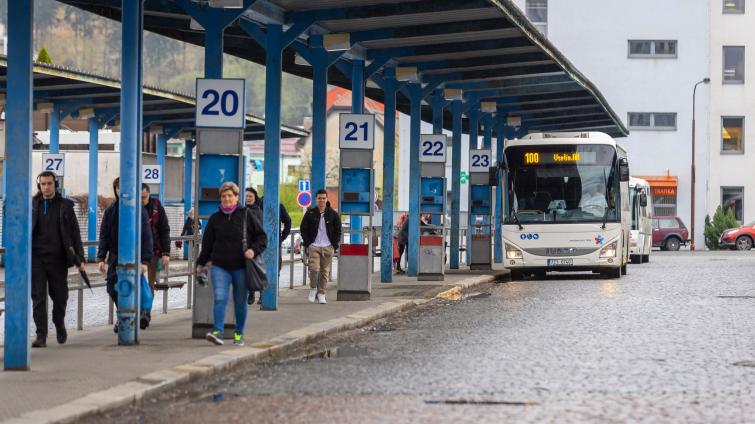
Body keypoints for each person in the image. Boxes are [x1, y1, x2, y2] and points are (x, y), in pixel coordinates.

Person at [196, 182, 267, 347]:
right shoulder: (215, 219)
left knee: (240, 301)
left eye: (230, 196)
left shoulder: (247, 215)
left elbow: (262, 238)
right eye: (223, 196)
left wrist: (253, 250)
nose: (226, 199)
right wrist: (201, 263)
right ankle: (218, 331)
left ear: (236, 197)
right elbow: (207, 244)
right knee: (220, 298)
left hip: (241, 267)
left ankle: (238, 333)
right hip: (219, 266)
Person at [30, 171, 85, 348]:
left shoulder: (65, 206)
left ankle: (59, 323)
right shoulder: (32, 205)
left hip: (58, 258)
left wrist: (80, 257)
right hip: (36, 258)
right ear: (39, 186)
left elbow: (75, 232)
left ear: (56, 185)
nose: (46, 187)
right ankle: (41, 335)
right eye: (43, 184)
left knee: (60, 297)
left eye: (49, 184)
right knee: (38, 298)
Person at [97, 177, 154, 332]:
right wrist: (101, 257)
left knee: (133, 286)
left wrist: (145, 261)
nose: (120, 191)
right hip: (115, 255)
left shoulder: (139, 209)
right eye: (117, 188)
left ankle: (128, 316)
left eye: (123, 187)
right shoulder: (111, 210)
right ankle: (124, 314)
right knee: (112, 287)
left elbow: (146, 235)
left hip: (134, 255)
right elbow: (104, 235)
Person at [247, 187, 292, 305]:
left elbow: (288, 222)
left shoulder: (278, 206)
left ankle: (265, 294)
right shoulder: (259, 206)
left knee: (271, 268)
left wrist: (281, 238)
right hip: (257, 243)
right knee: (255, 268)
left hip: (272, 242)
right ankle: (254, 293)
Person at [300, 189, 341, 304]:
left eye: (323, 198)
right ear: (316, 199)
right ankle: (313, 289)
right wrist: (308, 243)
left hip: (328, 246)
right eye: (319, 198)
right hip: (314, 246)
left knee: (324, 271)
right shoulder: (310, 213)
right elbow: (303, 228)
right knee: (314, 269)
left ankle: (322, 293)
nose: (321, 200)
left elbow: (338, 230)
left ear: (326, 199)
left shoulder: (333, 214)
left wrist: (334, 245)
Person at [141, 184, 170, 295]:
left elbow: (164, 230)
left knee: (149, 285)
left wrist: (166, 252)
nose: (142, 200)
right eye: (139, 197)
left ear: (149, 194)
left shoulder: (157, 209)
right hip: (135, 252)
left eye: (144, 197)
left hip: (153, 252)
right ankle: (137, 310)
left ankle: (146, 311)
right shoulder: (133, 209)